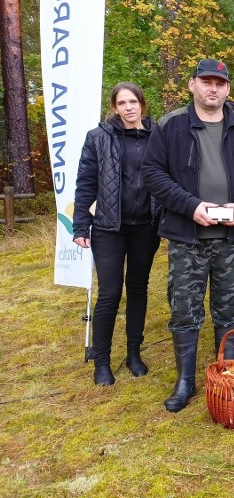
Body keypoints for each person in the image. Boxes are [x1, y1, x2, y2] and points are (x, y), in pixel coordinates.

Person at [142, 59, 234, 412]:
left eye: (220, 83)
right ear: (192, 85)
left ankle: (226, 373)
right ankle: (185, 381)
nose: (213, 89)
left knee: (229, 309)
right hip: (188, 236)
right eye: (206, 82)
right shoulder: (171, 126)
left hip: (232, 238)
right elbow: (153, 173)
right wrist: (190, 205)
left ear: (228, 89)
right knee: (184, 309)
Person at [73, 82, 161, 387]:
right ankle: (102, 362)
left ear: (142, 104)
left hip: (145, 227)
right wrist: (80, 225)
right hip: (109, 227)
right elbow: (85, 182)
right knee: (110, 293)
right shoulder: (98, 138)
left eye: (133, 101)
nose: (128, 107)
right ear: (114, 107)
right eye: (122, 103)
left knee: (138, 289)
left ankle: (134, 354)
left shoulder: (157, 136)